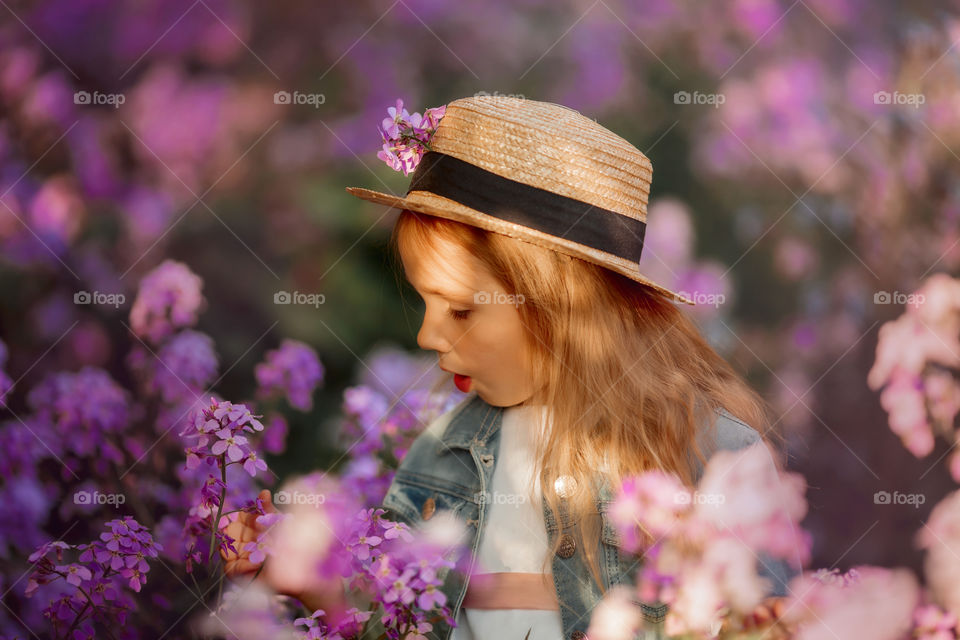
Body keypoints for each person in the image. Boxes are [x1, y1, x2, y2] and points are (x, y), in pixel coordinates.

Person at [223, 95, 800, 639]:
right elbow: (397, 624)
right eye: (425, 304)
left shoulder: (716, 461)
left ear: (562, 308)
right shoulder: (440, 457)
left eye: (462, 309)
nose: (427, 335)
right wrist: (318, 586)